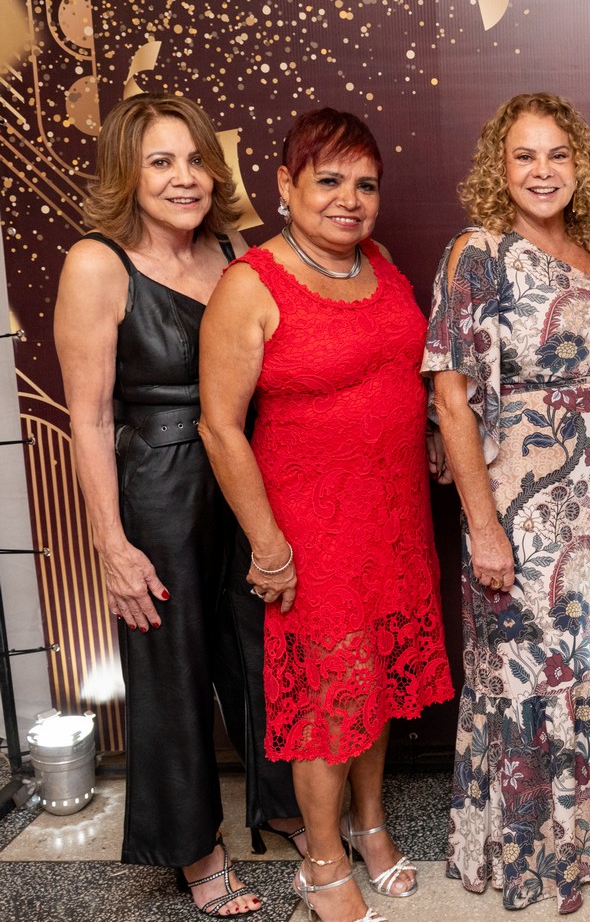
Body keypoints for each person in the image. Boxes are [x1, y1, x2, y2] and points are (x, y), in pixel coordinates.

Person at [199, 108, 453, 922]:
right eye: (330, 180)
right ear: (286, 184)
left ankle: (370, 826)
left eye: (366, 184)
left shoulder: (380, 264)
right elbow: (219, 428)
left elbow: (404, 372)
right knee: (330, 702)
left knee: (373, 686)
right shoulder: (251, 285)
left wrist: (433, 435)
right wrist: (268, 546)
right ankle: (320, 860)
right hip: (313, 528)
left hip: (394, 515)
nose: (350, 199)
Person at [54, 93, 303, 917]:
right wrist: (112, 546)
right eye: (161, 162)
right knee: (171, 671)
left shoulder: (235, 250)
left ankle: (282, 803)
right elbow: (90, 419)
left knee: (263, 645)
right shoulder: (97, 264)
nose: (185, 177)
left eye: (196, 159)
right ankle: (195, 846)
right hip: (159, 487)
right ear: (127, 172)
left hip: (243, 470)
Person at [425, 92, 590, 913]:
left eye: (558, 154)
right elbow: (451, 399)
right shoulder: (477, 254)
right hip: (517, 501)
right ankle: (532, 848)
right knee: (526, 672)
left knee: (582, 659)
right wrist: (484, 528)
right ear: (501, 166)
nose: (543, 171)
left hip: (589, 496)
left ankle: (586, 829)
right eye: (525, 155)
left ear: (580, 165)